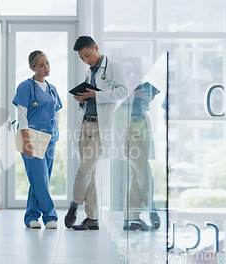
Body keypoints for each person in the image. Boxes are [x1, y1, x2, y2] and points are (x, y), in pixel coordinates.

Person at [65, 36, 129, 230]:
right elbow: (88, 101)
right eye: (82, 58)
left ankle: (74, 204)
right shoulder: (88, 72)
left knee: (83, 170)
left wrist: (96, 95)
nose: (86, 60)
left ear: (96, 48)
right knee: (88, 173)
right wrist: (82, 100)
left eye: (88, 55)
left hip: (101, 128)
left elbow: (123, 91)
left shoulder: (113, 66)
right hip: (85, 124)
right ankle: (92, 219)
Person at [12, 50, 63, 229]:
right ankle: (50, 216)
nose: (46, 67)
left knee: (40, 179)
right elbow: (22, 115)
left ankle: (31, 216)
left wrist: (55, 124)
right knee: (39, 178)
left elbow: (57, 109)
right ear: (33, 68)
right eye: (41, 65)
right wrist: (25, 139)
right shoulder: (25, 87)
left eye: (47, 63)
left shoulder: (51, 88)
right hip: (30, 136)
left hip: (50, 137)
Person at [124, 82, 161, 231]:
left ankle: (131, 219)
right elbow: (115, 102)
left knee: (135, 178)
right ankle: (151, 207)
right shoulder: (123, 81)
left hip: (141, 130)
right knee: (145, 172)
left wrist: (144, 97)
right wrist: (133, 95)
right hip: (127, 132)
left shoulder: (140, 98)